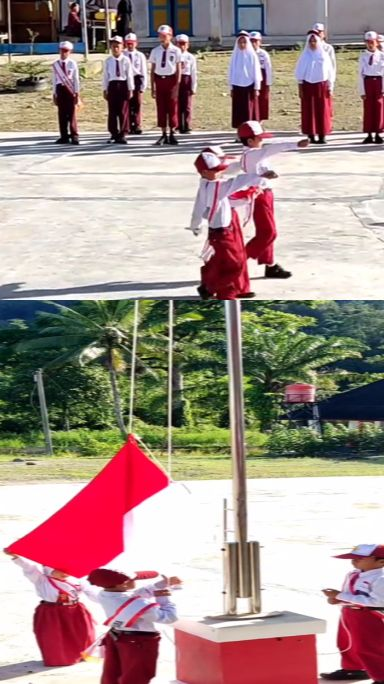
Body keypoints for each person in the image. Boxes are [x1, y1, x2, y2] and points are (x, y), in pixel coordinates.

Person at [188, 148, 272, 300]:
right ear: (205, 172)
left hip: (218, 232)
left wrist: (196, 225)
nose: (220, 172)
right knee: (235, 266)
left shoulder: (204, 185)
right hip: (222, 233)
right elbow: (237, 181)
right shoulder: (218, 187)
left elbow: (198, 208)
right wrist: (260, 175)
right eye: (216, 170)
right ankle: (210, 287)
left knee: (222, 263)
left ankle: (218, 290)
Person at [228, 120, 308, 279]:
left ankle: (270, 265)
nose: (262, 140)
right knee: (268, 233)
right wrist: (296, 143)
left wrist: (265, 173)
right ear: (250, 141)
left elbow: (256, 168)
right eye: (259, 138)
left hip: (263, 192)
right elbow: (273, 148)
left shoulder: (251, 154)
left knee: (265, 230)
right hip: (259, 194)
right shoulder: (253, 153)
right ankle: (236, 261)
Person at [4, 550, 97, 667]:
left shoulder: (76, 580)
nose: (64, 573)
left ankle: (83, 655)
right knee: (54, 636)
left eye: (67, 570)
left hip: (75, 610)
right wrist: (15, 556)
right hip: (51, 612)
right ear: (49, 569)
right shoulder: (41, 579)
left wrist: (105, 601)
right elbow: (29, 568)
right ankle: (60, 658)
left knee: (82, 633)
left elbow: (91, 592)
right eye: (59, 570)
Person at [87, 568, 181, 684]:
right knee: (137, 675)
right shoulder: (138, 604)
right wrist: (163, 598)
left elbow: (133, 594)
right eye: (133, 579)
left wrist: (159, 585)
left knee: (113, 672)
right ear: (123, 584)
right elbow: (169, 617)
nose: (135, 581)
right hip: (139, 641)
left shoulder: (104, 594)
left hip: (116, 636)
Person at [320, 543, 384, 683]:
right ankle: (354, 668)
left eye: (359, 558)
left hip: (369, 616)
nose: (354, 561)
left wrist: (340, 596)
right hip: (350, 613)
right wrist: (337, 599)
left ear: (380, 561)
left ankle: (381, 677)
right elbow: (348, 594)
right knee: (347, 642)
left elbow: (377, 602)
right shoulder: (353, 574)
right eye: (353, 558)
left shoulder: (380, 578)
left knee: (369, 647)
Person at [295, 32, 334, 144]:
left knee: (322, 111)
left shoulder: (324, 55)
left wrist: (330, 86)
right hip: (308, 86)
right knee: (309, 111)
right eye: (311, 41)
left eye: (315, 41)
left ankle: (322, 135)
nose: (313, 43)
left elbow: (330, 72)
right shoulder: (305, 56)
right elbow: (299, 73)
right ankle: (311, 135)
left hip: (321, 86)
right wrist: (300, 87)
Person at [149, 25, 182, 146]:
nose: (162, 38)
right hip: (160, 80)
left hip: (171, 80)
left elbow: (178, 69)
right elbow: (152, 70)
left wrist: (177, 85)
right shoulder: (155, 51)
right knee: (161, 107)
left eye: (165, 36)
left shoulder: (176, 51)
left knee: (172, 107)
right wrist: (153, 87)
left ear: (170, 36)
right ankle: (163, 133)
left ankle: (172, 132)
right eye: (160, 36)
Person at [103, 35, 134, 144]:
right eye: (113, 46)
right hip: (112, 85)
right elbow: (106, 76)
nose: (115, 48)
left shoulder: (126, 60)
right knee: (112, 111)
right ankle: (113, 133)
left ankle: (123, 133)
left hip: (122, 84)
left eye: (117, 46)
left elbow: (129, 75)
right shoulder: (108, 61)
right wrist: (105, 89)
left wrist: (130, 88)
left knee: (123, 110)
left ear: (122, 47)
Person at [228, 33, 262, 132]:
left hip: (249, 87)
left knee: (249, 111)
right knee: (239, 112)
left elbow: (256, 72)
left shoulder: (252, 56)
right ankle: (240, 132)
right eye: (240, 43)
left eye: (244, 42)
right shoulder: (235, 56)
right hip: (237, 87)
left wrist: (257, 88)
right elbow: (231, 72)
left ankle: (251, 132)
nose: (242, 45)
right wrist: (231, 88)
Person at [52, 41, 80, 145]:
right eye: (62, 51)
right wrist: (54, 93)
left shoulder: (72, 63)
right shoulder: (56, 65)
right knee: (62, 114)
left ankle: (74, 135)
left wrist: (77, 92)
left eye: (66, 51)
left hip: (70, 90)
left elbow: (76, 79)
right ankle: (64, 136)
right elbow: (54, 80)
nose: (63, 53)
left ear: (70, 52)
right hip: (60, 89)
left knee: (71, 113)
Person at [358, 31, 384, 145]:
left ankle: (378, 133)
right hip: (367, 82)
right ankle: (369, 134)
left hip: (378, 82)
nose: (370, 44)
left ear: (377, 42)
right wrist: (362, 90)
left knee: (379, 108)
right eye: (368, 42)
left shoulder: (382, 56)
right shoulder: (363, 56)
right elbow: (360, 74)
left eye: (372, 42)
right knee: (368, 109)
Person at [123, 32, 147, 134]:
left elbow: (143, 70)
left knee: (137, 103)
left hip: (137, 79)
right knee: (127, 103)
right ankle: (128, 125)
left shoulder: (140, 55)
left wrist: (143, 85)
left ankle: (137, 124)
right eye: (128, 43)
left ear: (136, 43)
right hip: (126, 80)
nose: (130, 45)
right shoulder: (123, 55)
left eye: (132, 43)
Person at [176, 34, 197, 133]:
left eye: (183, 44)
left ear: (187, 45)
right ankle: (178, 125)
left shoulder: (190, 57)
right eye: (179, 44)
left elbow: (193, 72)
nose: (181, 46)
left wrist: (193, 86)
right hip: (177, 80)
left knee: (187, 105)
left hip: (186, 79)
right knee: (177, 104)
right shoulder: (175, 55)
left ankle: (187, 125)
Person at [249, 31, 272, 122]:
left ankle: (260, 120)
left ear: (260, 42)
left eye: (256, 41)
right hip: (250, 78)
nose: (254, 43)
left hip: (262, 77)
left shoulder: (263, 54)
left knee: (262, 99)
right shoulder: (247, 53)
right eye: (251, 41)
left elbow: (268, 68)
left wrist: (268, 83)